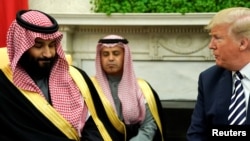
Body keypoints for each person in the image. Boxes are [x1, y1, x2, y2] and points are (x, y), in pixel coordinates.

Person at [0, 9, 115, 141]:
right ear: (21, 46)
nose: (48, 54)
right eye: (38, 46)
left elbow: (97, 123)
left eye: (52, 45)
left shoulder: (77, 77)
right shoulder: (4, 86)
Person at [187, 7, 250, 140]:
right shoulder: (209, 79)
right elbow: (197, 134)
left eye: (217, 38)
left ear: (243, 43)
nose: (211, 45)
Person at [90, 34, 165, 141]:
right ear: (100, 58)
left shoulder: (142, 88)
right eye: (105, 54)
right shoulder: (90, 87)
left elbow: (149, 126)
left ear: (125, 57)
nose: (111, 58)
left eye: (116, 53)